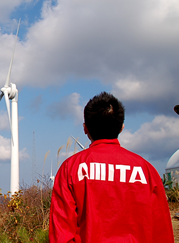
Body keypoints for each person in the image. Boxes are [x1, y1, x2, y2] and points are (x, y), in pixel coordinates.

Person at [49, 92, 174, 242]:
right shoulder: (147, 170)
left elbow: (61, 234)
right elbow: (162, 233)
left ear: (85, 128)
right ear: (122, 127)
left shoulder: (71, 168)